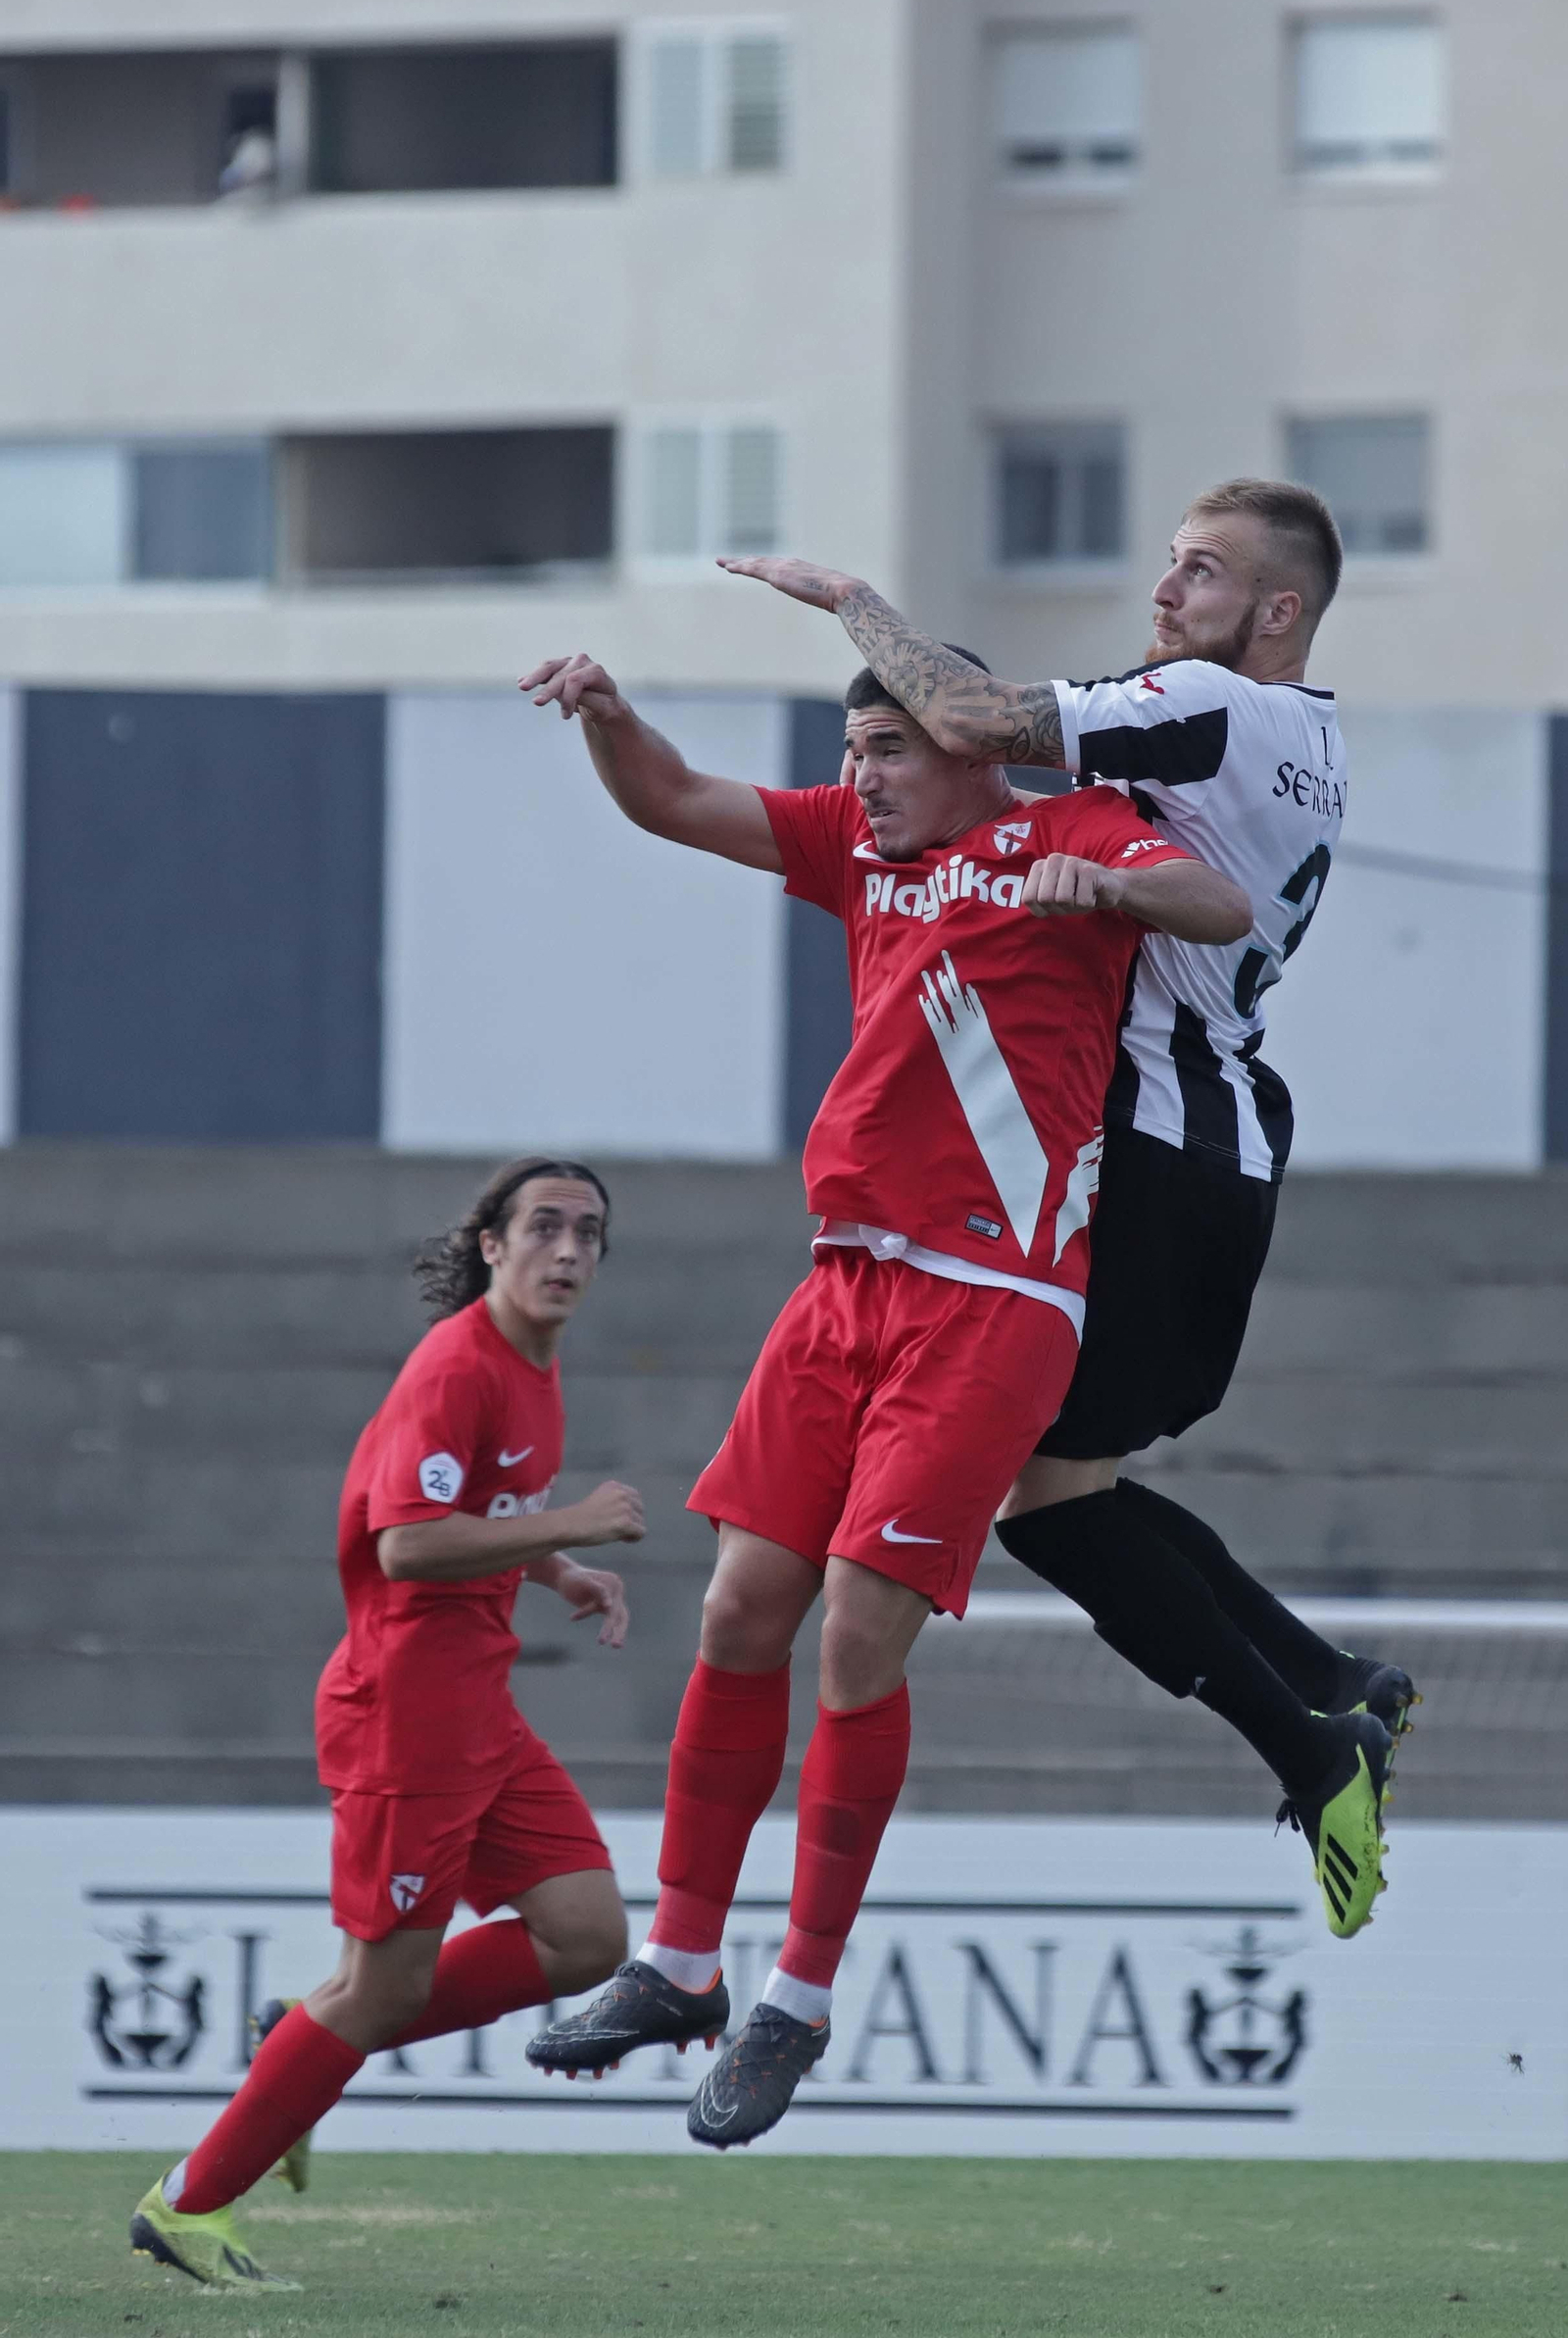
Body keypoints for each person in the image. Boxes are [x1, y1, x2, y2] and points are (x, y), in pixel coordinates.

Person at [512, 639, 1261, 2148]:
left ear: (974, 744)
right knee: (738, 1612)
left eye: (890, 750)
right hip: (843, 1288)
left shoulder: (1072, 829)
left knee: (858, 1628)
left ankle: (795, 1998)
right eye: (854, 753)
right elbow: (669, 798)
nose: (861, 778)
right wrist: (609, 715)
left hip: (994, 1300)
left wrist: (1109, 888)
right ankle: (680, 1965)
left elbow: (1221, 903)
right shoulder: (857, 845)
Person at [717, 477, 1414, 1941]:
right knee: (1058, 1490)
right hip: (1210, 1143)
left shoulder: (1210, 705)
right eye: (1170, 563)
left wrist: (849, 601)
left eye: (1201, 570)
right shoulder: (1311, 738)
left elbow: (970, 718)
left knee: (1044, 1502)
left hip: (1161, 1142)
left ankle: (1319, 1745)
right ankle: (1333, 1692)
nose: (1166, 592)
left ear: (1278, 610)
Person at [130, 1158, 646, 2290]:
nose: (569, 1249)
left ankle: (303, 2040)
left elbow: (481, 1507)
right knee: (383, 1989)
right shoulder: (457, 1364)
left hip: (479, 1708)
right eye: (544, 1227)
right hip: (407, 1714)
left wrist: (554, 1567)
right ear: (492, 1244)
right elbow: (406, 1541)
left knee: (586, 1935)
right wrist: (574, 1525)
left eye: (589, 1232)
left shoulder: (533, 1365)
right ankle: (188, 2202)